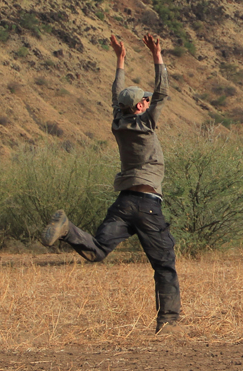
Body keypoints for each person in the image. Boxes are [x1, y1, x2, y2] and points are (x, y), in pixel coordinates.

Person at [42, 32, 181, 334]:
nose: (149, 102)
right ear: (141, 107)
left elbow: (117, 94)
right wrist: (157, 55)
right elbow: (163, 91)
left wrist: (120, 60)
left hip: (124, 203)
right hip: (147, 204)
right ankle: (169, 321)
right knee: (164, 263)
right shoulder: (146, 124)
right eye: (145, 101)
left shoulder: (118, 122)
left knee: (98, 249)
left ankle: (67, 229)